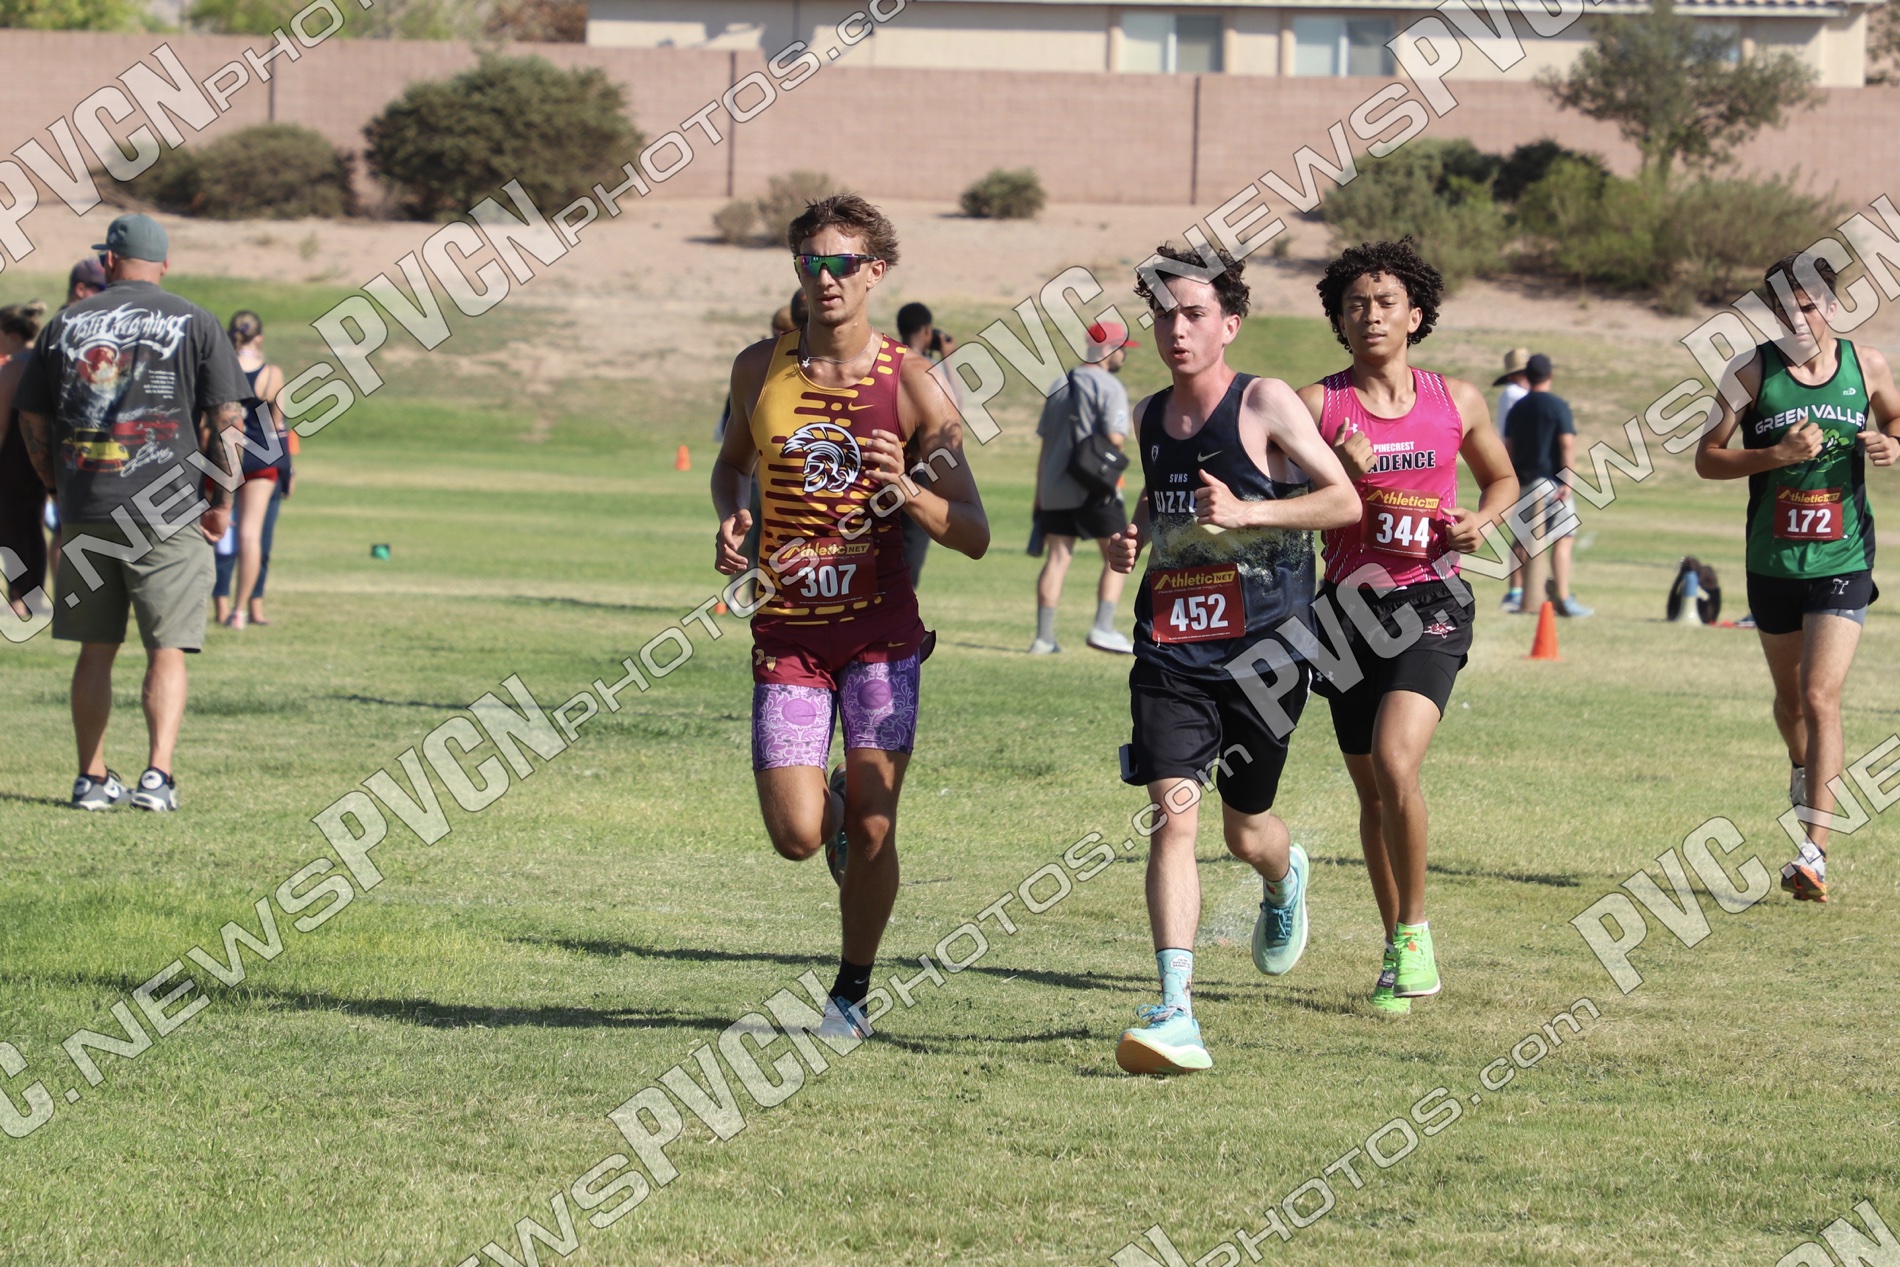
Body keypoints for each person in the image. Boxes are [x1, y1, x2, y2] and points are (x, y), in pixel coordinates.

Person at [711, 194, 989, 1039]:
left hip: (880, 637)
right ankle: (830, 809)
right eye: (811, 262)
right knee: (799, 835)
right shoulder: (757, 368)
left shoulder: (914, 384)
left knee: (875, 824)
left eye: (843, 263)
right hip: (789, 634)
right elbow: (730, 464)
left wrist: (909, 491)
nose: (825, 278)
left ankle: (850, 993)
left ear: (876, 273)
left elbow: (974, 532)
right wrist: (730, 513)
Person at [1102, 246, 1359, 1074]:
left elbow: (1344, 500)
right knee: (1172, 814)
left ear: (1230, 324)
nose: (1177, 330)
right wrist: (1134, 533)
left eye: (1195, 314)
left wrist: (1250, 511)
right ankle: (1175, 1008)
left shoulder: (1264, 401)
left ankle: (1284, 879)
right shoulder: (1149, 416)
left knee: (1246, 830)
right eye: (1164, 316)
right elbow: (1161, 497)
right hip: (1171, 647)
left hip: (1267, 650)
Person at [1300, 239, 1518, 1013]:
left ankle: (1417, 930)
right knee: (1372, 791)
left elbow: (1502, 478)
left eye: (1386, 302)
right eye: (1355, 304)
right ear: (1339, 320)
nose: (1371, 315)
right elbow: (1277, 497)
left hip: (1431, 603)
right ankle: (1397, 945)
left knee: (1397, 763)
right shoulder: (1317, 406)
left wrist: (1481, 521)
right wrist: (1336, 468)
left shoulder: (1456, 400)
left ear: (1416, 315)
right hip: (1345, 612)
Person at [13, 214, 247, 812]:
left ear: (109, 262)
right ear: (164, 264)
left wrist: (56, 486)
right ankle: (157, 777)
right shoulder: (196, 320)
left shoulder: (64, 323)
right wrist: (221, 502)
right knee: (166, 648)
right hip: (168, 508)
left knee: (95, 649)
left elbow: (33, 419)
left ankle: (90, 780)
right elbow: (228, 419)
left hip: (87, 505)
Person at [1694, 252, 1900, 903]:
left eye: (1808, 306)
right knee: (1791, 703)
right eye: (1783, 308)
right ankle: (1801, 764)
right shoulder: (1749, 372)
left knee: (1820, 695)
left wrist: (1893, 443)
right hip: (1773, 562)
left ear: (1832, 307)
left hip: (1844, 558)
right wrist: (1775, 454)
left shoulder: (1868, 366)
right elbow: (1707, 459)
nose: (1797, 318)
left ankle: (1814, 853)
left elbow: (1896, 418)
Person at [1031, 320, 1138, 655]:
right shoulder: (1110, 386)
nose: (1123, 356)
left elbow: (1045, 444)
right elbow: (1115, 438)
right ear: (1108, 349)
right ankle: (1103, 628)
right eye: (1121, 349)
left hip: (1054, 487)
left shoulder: (1059, 384)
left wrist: (1040, 493)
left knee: (1057, 558)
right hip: (1095, 487)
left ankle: (1044, 639)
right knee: (1117, 555)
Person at [1504, 354, 1591, 617]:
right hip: (1551, 484)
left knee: (1523, 539)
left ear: (1527, 376)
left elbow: (1508, 447)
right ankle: (1562, 597)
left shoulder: (1517, 408)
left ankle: (1520, 596)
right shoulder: (1557, 406)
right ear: (1550, 375)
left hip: (1522, 482)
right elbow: (1567, 444)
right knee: (1564, 537)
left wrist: (1510, 482)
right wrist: (1568, 481)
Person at [219, 310, 289, 629]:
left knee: (218, 531)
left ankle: (217, 602)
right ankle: (240, 612)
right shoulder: (272, 374)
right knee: (250, 536)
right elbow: (277, 424)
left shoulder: (221, 369)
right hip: (261, 458)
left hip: (225, 455)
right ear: (258, 338)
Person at [894, 301, 958, 587]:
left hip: (886, 467)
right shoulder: (926, 369)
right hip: (919, 469)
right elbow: (953, 410)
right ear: (927, 330)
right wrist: (949, 359)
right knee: (913, 547)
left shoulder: (889, 364)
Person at [0, 300, 50, 619]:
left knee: (11, 529)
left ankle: (18, 596)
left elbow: (1, 424)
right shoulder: (46, 364)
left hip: (13, 459)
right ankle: (34, 596)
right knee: (34, 526)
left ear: (12, 335)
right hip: (42, 458)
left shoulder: (12, 369)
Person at [1493, 347, 1531, 609]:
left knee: (1527, 531)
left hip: (1519, 465)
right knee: (1524, 532)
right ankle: (1516, 590)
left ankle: (1522, 588)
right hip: (1519, 467)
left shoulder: (1514, 394)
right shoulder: (1515, 395)